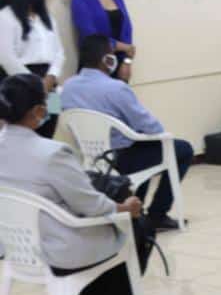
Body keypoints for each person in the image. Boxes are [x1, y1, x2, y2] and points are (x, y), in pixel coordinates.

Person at [0, 74, 149, 295]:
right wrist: (125, 208)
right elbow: (91, 205)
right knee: (138, 230)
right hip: (60, 251)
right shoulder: (53, 154)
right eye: (47, 102)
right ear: (39, 110)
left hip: (17, 248)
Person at [61, 36, 193, 231]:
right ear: (107, 59)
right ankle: (157, 214)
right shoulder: (116, 88)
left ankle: (136, 210)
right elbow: (152, 128)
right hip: (122, 158)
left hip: (93, 158)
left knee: (145, 148)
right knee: (182, 149)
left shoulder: (67, 87)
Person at [0, 0, 67, 139]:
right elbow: (6, 58)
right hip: (23, 84)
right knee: (27, 134)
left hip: (51, 84)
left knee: (51, 127)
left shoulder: (47, 17)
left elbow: (59, 52)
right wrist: (36, 84)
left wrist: (51, 77)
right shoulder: (6, 17)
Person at [70, 0, 136, 82]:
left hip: (120, 63)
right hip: (95, 65)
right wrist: (124, 47)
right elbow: (90, 35)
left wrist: (127, 61)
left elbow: (127, 29)